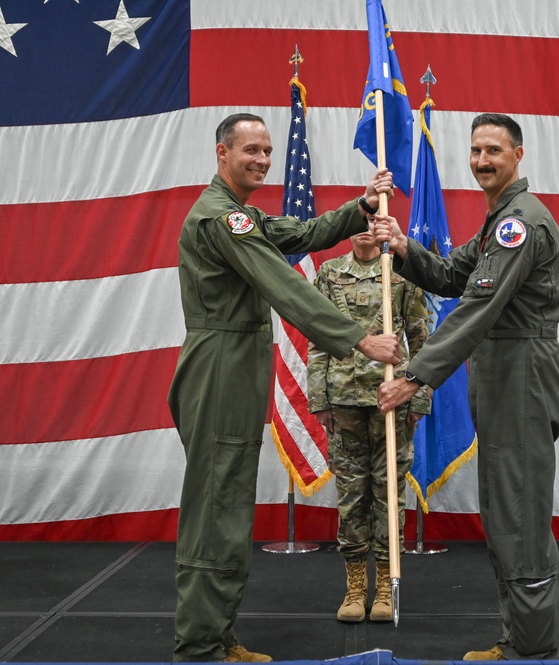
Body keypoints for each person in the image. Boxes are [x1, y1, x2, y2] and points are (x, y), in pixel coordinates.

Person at [167, 113, 402, 663]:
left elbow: (302, 235)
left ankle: (217, 637)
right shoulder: (222, 220)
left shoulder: (240, 215)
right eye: (251, 149)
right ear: (221, 153)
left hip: (237, 362)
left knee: (227, 504)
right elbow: (281, 285)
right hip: (220, 365)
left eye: (268, 151)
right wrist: (358, 340)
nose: (263, 160)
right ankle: (200, 647)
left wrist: (362, 207)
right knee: (215, 507)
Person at [376, 113, 559, 660]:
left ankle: (530, 651)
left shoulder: (520, 223)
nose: (482, 160)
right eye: (476, 150)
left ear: (518, 155)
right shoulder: (497, 221)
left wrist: (415, 376)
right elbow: (450, 277)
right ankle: (520, 640)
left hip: (522, 379)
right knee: (505, 512)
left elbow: (478, 307)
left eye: (494, 151)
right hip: (504, 378)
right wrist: (403, 247)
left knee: (520, 520)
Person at [307, 228, 432, 624]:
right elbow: (318, 336)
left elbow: (421, 337)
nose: (366, 228)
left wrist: (419, 396)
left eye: (375, 219)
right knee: (351, 494)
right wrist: (319, 399)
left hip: (391, 400)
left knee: (388, 491)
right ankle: (355, 586)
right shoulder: (329, 273)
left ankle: (385, 586)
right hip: (343, 401)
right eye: (360, 220)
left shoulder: (401, 274)